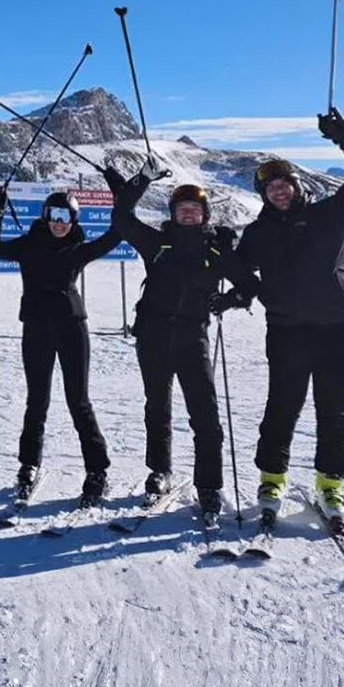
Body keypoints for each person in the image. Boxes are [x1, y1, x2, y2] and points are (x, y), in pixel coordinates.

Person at [234, 108, 344, 532]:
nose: (278, 191)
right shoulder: (258, 232)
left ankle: (330, 486)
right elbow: (239, 270)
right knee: (282, 407)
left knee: (334, 410)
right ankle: (272, 481)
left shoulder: (328, 215)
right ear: (263, 194)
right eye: (270, 187)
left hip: (336, 328)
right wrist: (244, 291)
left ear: (296, 186)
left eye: (284, 184)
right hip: (287, 331)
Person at [107, 171, 257, 517]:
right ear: (173, 213)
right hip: (153, 336)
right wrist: (139, 183)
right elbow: (123, 220)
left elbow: (250, 285)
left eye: (195, 209)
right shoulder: (156, 243)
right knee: (156, 407)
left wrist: (231, 300)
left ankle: (209, 485)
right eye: (182, 209)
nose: (189, 214)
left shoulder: (217, 248)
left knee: (205, 414)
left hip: (193, 339)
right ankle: (159, 471)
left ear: (205, 214)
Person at [0, 181, 134, 508]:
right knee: (36, 400)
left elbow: (118, 232)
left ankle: (97, 471)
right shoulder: (27, 245)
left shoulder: (80, 249)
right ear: (45, 215)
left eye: (66, 215)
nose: (59, 221)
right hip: (36, 327)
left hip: (71, 328)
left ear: (75, 219)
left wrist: (125, 197)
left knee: (78, 400)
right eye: (54, 214)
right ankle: (28, 465)